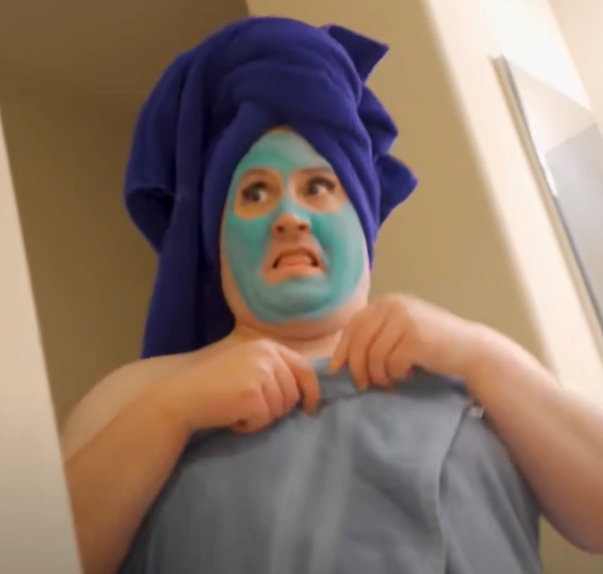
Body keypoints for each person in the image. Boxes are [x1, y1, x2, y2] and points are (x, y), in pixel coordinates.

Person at [61, 17, 603, 574]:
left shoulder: (468, 372)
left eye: (318, 186)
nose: (289, 216)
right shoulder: (138, 395)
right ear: (217, 244)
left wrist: (482, 354)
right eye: (255, 193)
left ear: (363, 224)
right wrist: (170, 413)